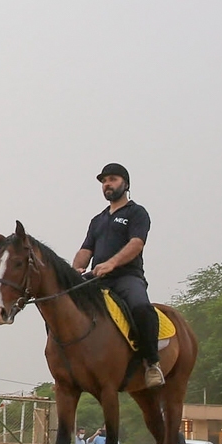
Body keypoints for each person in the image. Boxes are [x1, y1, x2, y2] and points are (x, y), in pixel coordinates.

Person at [72, 163, 163, 389]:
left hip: (126, 277)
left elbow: (136, 243)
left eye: (112, 179)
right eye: (104, 181)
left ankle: (152, 363)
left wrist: (111, 263)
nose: (107, 184)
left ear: (126, 183)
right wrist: (75, 269)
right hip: (96, 278)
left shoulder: (136, 212)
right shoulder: (97, 220)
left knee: (142, 308)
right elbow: (86, 249)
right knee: (65, 302)